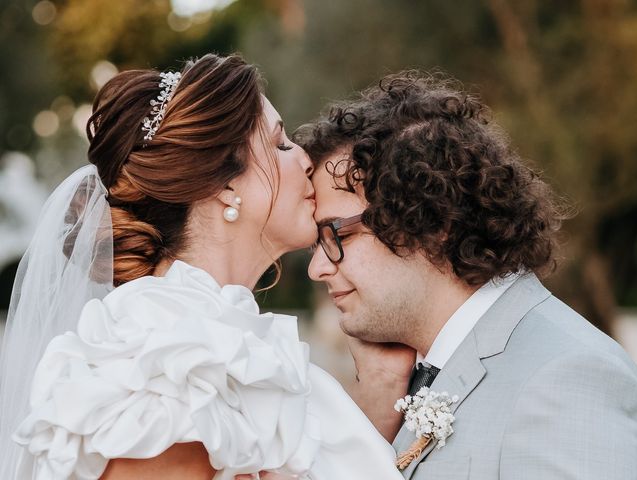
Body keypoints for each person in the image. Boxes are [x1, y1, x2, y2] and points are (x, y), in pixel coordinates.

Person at [0, 54, 406, 480]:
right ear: (225, 184)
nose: (305, 159)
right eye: (279, 144)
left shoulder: (231, 353)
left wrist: (371, 414)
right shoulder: (168, 370)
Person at [295, 71, 637, 479]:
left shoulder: (565, 378)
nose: (318, 268)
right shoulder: (407, 376)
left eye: (335, 234)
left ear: (430, 219)